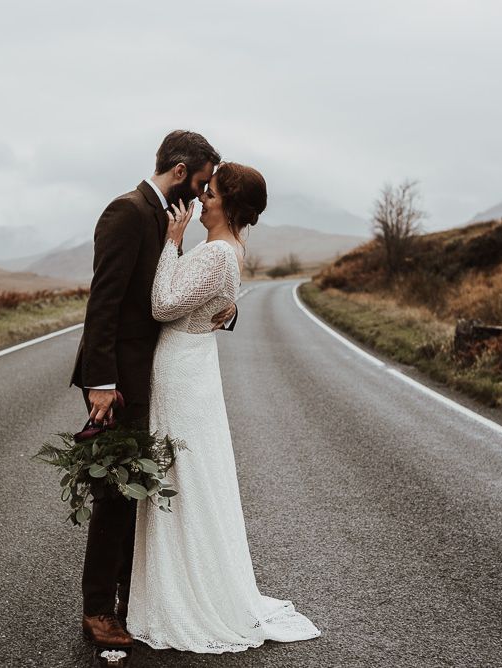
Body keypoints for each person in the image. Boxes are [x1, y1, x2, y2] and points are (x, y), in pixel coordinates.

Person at [127, 162, 321, 652]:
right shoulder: (230, 248)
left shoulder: (216, 253)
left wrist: (172, 242)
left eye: (210, 193)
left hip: (181, 369)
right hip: (193, 364)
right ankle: (185, 581)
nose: (201, 199)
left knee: (182, 475)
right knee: (190, 473)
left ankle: (187, 596)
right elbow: (208, 301)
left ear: (229, 205)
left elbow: (162, 306)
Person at [70, 130, 235, 649]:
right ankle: (98, 611)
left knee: (138, 492)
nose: (204, 192)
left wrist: (224, 313)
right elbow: (104, 303)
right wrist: (101, 383)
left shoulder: (168, 216)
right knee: (115, 495)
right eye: (204, 180)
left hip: (150, 375)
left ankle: (129, 601)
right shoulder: (127, 211)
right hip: (117, 382)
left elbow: (179, 292)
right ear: (183, 171)